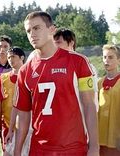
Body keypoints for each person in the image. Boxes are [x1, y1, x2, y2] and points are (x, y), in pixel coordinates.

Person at [14, 11, 99, 156]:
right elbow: (23, 118)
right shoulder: (24, 71)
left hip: (73, 148)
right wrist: (17, 151)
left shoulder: (78, 61)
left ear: (51, 29)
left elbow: (89, 105)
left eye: (37, 28)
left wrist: (94, 147)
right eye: (28, 31)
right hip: (39, 149)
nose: (32, 34)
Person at [53, 28, 99, 111]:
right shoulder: (52, 67)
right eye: (54, 43)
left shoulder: (85, 65)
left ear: (71, 43)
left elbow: (92, 97)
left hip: (79, 117)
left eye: (58, 43)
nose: (55, 46)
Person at [0, 47, 29, 156]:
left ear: (22, 57)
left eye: (13, 57)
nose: (10, 60)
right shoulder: (2, 78)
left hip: (26, 125)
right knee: (6, 152)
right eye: (9, 57)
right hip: (7, 125)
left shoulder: (29, 76)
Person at [98, 44, 120, 156]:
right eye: (104, 57)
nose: (106, 60)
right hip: (100, 139)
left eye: (111, 57)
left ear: (119, 60)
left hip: (116, 140)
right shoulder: (98, 83)